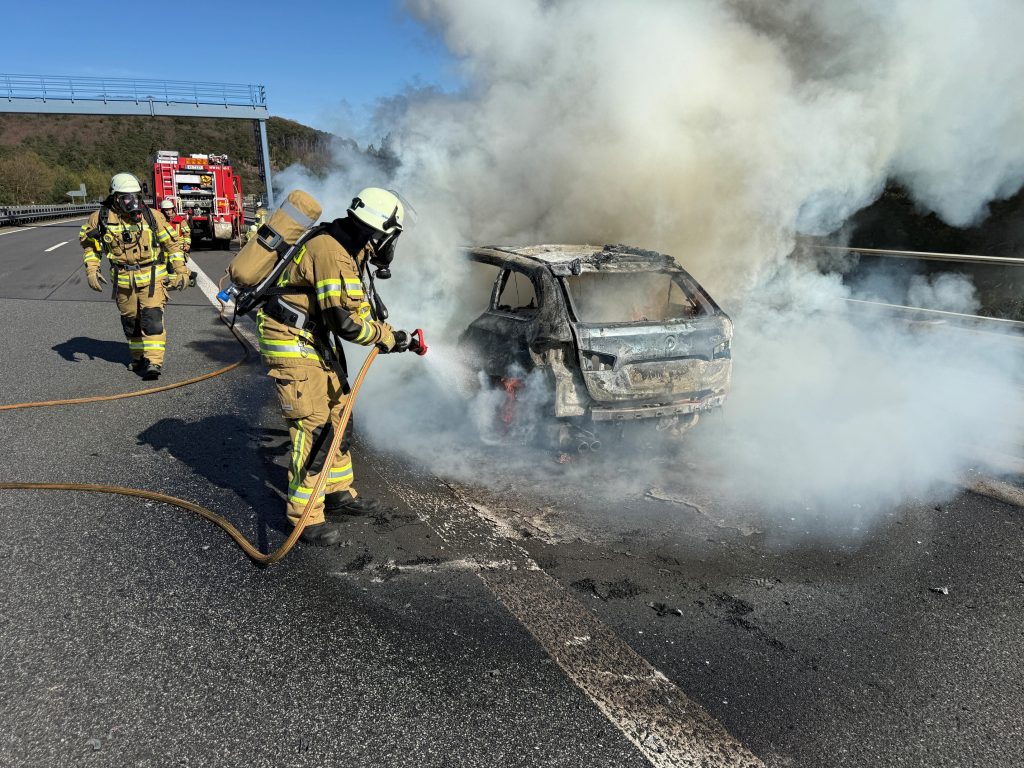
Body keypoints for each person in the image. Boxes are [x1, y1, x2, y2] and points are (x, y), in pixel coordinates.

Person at [257, 187, 417, 546]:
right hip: (289, 336)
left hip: (312, 335)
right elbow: (347, 324)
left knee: (339, 408)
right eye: (391, 235)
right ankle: (305, 517)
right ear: (379, 230)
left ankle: (336, 491)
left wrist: (391, 334)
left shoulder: (350, 246)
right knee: (311, 422)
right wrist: (387, 338)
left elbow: (355, 308)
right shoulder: (332, 252)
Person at [80, 173, 190, 380]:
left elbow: (172, 245)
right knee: (131, 322)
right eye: (126, 197)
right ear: (115, 197)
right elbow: (90, 246)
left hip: (152, 278)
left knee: (152, 319)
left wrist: (180, 270)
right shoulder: (100, 218)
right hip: (123, 280)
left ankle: (154, 362)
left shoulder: (153, 216)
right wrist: (92, 269)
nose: (133, 202)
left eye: (136, 196)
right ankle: (138, 357)